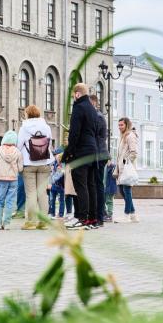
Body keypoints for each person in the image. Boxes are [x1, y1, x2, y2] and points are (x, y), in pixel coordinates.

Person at [62, 83, 99, 230]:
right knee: (91, 185)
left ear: (77, 94)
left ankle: (82, 218)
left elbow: (74, 133)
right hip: (92, 151)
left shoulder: (78, 107)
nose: (72, 97)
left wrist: (67, 153)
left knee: (81, 186)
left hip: (81, 152)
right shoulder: (92, 109)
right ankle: (92, 219)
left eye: (73, 94)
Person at [17, 105, 54, 230]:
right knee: (42, 193)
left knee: (31, 194)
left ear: (28, 114)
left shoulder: (24, 128)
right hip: (44, 163)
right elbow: (50, 141)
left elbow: (18, 145)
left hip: (29, 164)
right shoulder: (46, 127)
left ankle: (31, 222)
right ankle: (43, 222)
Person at [0, 130, 23, 230]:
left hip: (0, 179)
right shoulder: (17, 151)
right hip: (13, 179)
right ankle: (7, 223)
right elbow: (21, 168)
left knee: (0, 201)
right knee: (10, 202)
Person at [114, 117, 139, 223]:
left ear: (127, 125)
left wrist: (125, 161)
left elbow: (134, 152)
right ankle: (133, 215)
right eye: (119, 125)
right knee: (122, 191)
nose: (120, 127)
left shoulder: (130, 136)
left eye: (122, 125)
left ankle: (126, 216)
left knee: (127, 191)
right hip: (121, 168)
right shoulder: (123, 136)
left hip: (127, 168)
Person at [90, 94, 109, 227]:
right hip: (98, 153)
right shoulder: (98, 116)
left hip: (98, 155)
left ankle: (100, 216)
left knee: (98, 185)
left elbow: (95, 136)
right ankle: (98, 215)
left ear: (94, 103)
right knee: (96, 185)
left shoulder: (97, 116)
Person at [48, 154, 66, 219]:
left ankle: (60, 214)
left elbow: (59, 175)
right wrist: (50, 182)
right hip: (54, 185)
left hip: (60, 185)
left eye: (58, 157)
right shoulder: (54, 164)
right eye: (56, 156)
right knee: (52, 200)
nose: (57, 158)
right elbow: (51, 173)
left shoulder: (63, 165)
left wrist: (51, 182)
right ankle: (52, 213)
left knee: (61, 200)